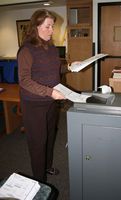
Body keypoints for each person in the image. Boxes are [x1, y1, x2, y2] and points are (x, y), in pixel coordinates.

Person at [17, 9, 76, 182]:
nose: (52, 30)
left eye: (53, 26)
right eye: (48, 26)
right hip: (34, 104)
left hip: (51, 102)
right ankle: (39, 181)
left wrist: (71, 67)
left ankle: (47, 167)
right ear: (36, 27)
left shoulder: (50, 47)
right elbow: (24, 81)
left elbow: (54, 69)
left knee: (50, 136)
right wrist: (50, 92)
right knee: (38, 143)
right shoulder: (26, 51)